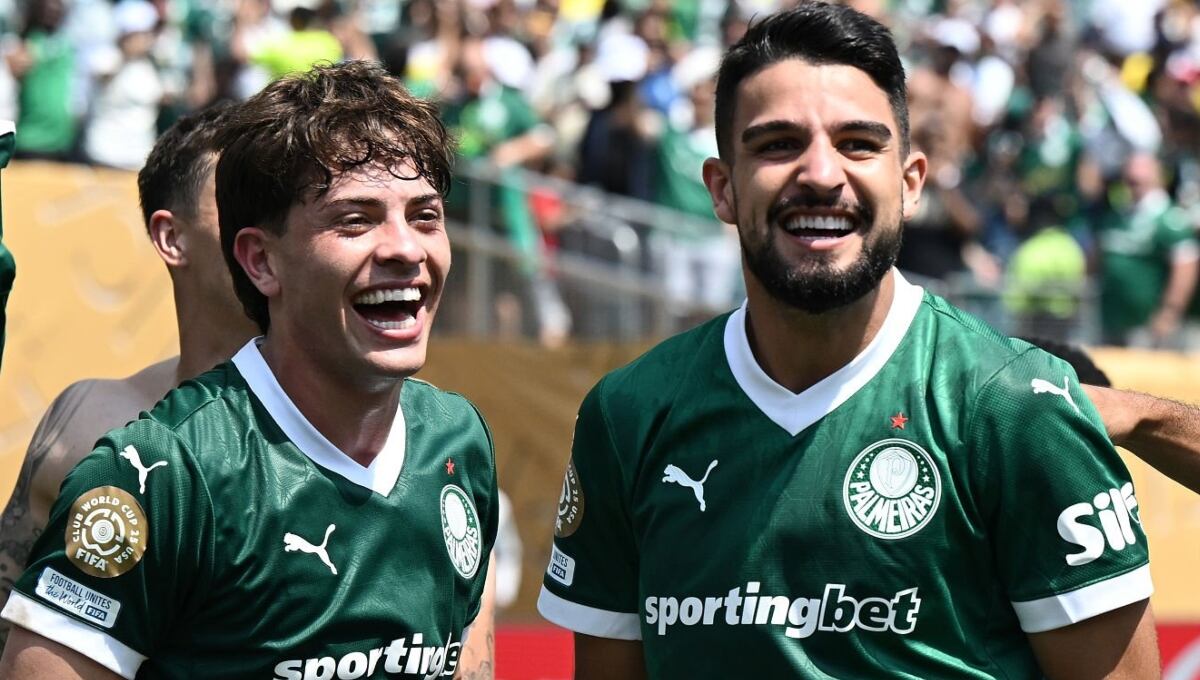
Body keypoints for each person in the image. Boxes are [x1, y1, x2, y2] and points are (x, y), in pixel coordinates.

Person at [539, 4, 1158, 678]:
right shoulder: (627, 416)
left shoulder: (1016, 410)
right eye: (778, 144)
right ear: (722, 188)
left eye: (858, 144)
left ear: (911, 183)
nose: (821, 174)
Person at [0, 61, 498, 679]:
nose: (405, 247)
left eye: (425, 216)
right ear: (260, 261)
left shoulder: (458, 440)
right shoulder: (159, 471)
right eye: (355, 219)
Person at [0, 102, 258, 651]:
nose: (270, 227)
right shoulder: (87, 420)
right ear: (172, 238)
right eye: (242, 202)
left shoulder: (372, 417)